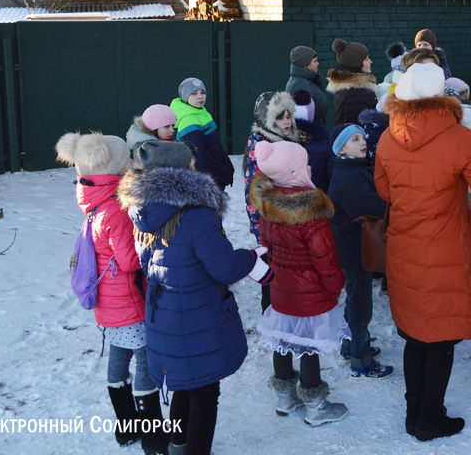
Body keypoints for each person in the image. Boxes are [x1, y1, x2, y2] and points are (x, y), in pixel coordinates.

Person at [374, 62, 471, 441]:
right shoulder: (462, 138)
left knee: (416, 335)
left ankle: (413, 411)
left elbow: (385, 191)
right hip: (447, 247)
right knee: (441, 336)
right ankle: (430, 418)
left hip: (404, 246)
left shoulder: (387, 136)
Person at [119, 140, 269, 455]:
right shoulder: (196, 215)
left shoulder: (143, 211)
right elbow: (225, 267)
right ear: (183, 169)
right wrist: (252, 258)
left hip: (164, 316)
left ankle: (178, 445)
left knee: (185, 387)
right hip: (196, 316)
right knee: (204, 395)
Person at [55, 132, 169, 454]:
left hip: (109, 301)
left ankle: (126, 427)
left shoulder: (95, 202)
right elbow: (130, 260)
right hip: (128, 300)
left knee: (120, 354)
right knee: (145, 360)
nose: (133, 162)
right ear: (115, 169)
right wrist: (148, 239)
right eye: (128, 159)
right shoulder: (115, 211)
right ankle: (153, 437)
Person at [250, 141, 351, 427]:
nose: (309, 167)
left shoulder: (269, 203)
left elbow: (266, 244)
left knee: (283, 340)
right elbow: (325, 257)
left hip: (281, 287)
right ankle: (315, 406)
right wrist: (335, 285)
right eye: (305, 163)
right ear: (294, 171)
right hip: (310, 293)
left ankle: (285, 398)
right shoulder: (311, 212)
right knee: (309, 344)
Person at [244, 91, 333, 313]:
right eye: (280, 117)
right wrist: (261, 228)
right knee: (273, 274)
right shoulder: (261, 146)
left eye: (288, 116)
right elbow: (254, 192)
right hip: (272, 224)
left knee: (289, 275)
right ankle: (271, 314)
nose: (286, 122)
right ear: (267, 119)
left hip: (292, 224)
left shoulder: (288, 138)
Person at [327, 124, 394, 379]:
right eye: (355, 140)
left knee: (356, 299)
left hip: (356, 246)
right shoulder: (348, 177)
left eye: (362, 138)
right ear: (341, 148)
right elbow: (373, 207)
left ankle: (349, 346)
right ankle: (361, 361)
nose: (362, 143)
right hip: (355, 251)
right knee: (360, 305)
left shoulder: (354, 168)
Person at [171, 78, 234, 190]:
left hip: (214, 179)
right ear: (185, 97)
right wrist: (223, 174)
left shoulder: (203, 114)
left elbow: (217, 146)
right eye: (194, 93)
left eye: (202, 92)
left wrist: (228, 166)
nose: (200, 96)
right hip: (202, 183)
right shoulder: (189, 120)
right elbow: (200, 157)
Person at [326, 38, 377, 125]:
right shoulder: (356, 92)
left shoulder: (348, 87)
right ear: (357, 63)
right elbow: (356, 127)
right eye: (367, 59)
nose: (371, 62)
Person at [286, 46, 330, 125]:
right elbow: (302, 118)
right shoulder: (300, 85)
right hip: (310, 132)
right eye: (314, 61)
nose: (318, 64)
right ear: (305, 65)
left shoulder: (307, 81)